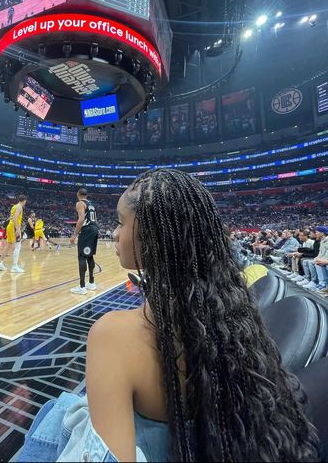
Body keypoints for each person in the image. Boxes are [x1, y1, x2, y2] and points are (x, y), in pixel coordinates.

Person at [18, 169, 319, 463]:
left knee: (57, 410)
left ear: (153, 236)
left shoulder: (113, 335)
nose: (115, 232)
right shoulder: (236, 319)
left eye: (121, 222)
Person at [70, 188, 99, 295]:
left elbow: (81, 218)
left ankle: (82, 287)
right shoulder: (91, 204)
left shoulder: (80, 203)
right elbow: (95, 219)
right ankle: (91, 282)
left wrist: (74, 234)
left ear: (78, 194)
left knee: (82, 257)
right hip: (94, 229)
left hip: (87, 231)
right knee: (90, 256)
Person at [0, 195, 27, 273]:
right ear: (24, 200)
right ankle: (15, 266)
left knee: (8, 246)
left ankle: (0, 264)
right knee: (18, 246)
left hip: (10, 226)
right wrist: (17, 228)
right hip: (13, 227)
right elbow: (15, 218)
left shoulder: (14, 206)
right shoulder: (20, 207)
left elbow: (10, 217)